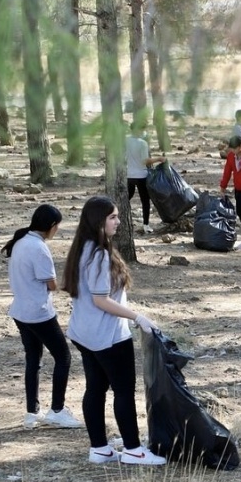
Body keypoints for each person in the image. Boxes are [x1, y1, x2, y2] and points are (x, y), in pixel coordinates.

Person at [63, 195, 165, 465]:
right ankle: (133, 449)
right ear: (98, 221)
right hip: (106, 336)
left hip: (84, 333)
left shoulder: (82, 247)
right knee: (123, 390)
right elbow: (101, 299)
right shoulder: (98, 254)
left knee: (95, 388)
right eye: (113, 217)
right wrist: (137, 317)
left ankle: (99, 448)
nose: (118, 222)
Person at [5, 205, 81, 430]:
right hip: (38, 313)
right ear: (51, 226)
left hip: (20, 310)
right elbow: (51, 284)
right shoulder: (39, 248)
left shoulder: (20, 241)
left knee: (33, 360)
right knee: (63, 357)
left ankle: (32, 413)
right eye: (57, 227)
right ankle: (57, 410)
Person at [125, 127, 165, 233]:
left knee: (127, 198)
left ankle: (121, 219)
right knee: (145, 201)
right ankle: (146, 225)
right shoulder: (142, 143)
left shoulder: (126, 141)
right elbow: (145, 161)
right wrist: (159, 159)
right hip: (141, 175)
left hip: (130, 175)